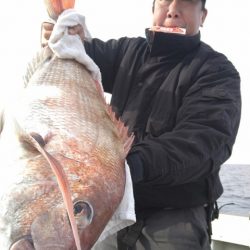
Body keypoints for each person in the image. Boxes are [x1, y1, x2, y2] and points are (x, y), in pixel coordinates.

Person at [42, 0, 241, 249]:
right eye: (164, 2)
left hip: (173, 216)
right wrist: (64, 31)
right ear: (153, 11)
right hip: (108, 207)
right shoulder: (129, 51)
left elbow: (204, 142)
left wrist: (131, 164)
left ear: (203, 16)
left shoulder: (216, 70)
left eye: (187, 3)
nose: (173, 9)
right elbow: (82, 56)